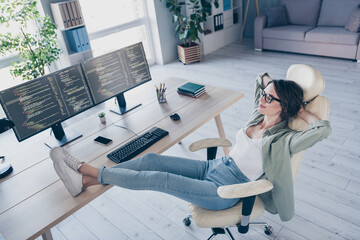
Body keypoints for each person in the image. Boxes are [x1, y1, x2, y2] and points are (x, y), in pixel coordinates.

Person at [50, 73, 331, 221]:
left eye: (271, 99)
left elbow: (323, 129)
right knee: (151, 160)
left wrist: (301, 111)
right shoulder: (259, 115)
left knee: (157, 178)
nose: (263, 100)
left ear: (286, 107)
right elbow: (261, 78)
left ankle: (85, 169)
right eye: (266, 95)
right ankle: (85, 182)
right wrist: (274, 91)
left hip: (224, 190)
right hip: (216, 166)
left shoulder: (284, 138)